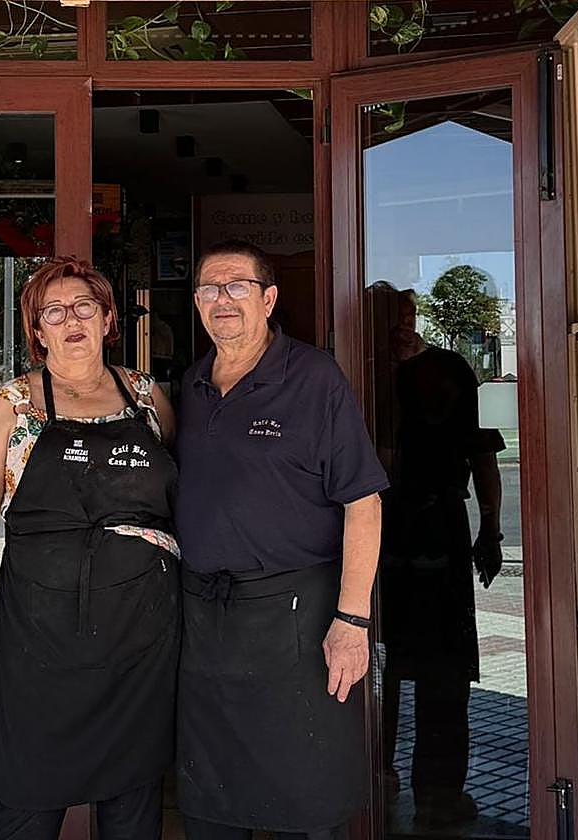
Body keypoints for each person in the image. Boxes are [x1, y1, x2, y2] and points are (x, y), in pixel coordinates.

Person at [0, 257, 181, 840]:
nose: (71, 320)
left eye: (84, 307)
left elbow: (182, 500)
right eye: (55, 311)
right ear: (37, 330)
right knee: (28, 797)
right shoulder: (14, 405)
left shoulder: (147, 397)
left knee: (134, 799)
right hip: (40, 634)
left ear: (107, 320)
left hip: (140, 632)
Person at [175, 240, 387, 840]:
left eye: (236, 285)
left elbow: (363, 503)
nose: (221, 299)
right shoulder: (190, 385)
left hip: (298, 621)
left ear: (268, 298)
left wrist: (353, 621)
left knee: (304, 798)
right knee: (211, 802)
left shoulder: (313, 377)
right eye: (209, 289)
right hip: (206, 623)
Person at [378, 289, 504, 829]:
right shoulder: (358, 372)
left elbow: (480, 452)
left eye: (407, 317)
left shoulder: (450, 369)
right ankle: (375, 779)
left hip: (440, 529)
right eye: (391, 320)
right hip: (376, 532)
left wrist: (492, 529)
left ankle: (439, 793)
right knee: (375, 668)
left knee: (444, 672)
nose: (403, 328)